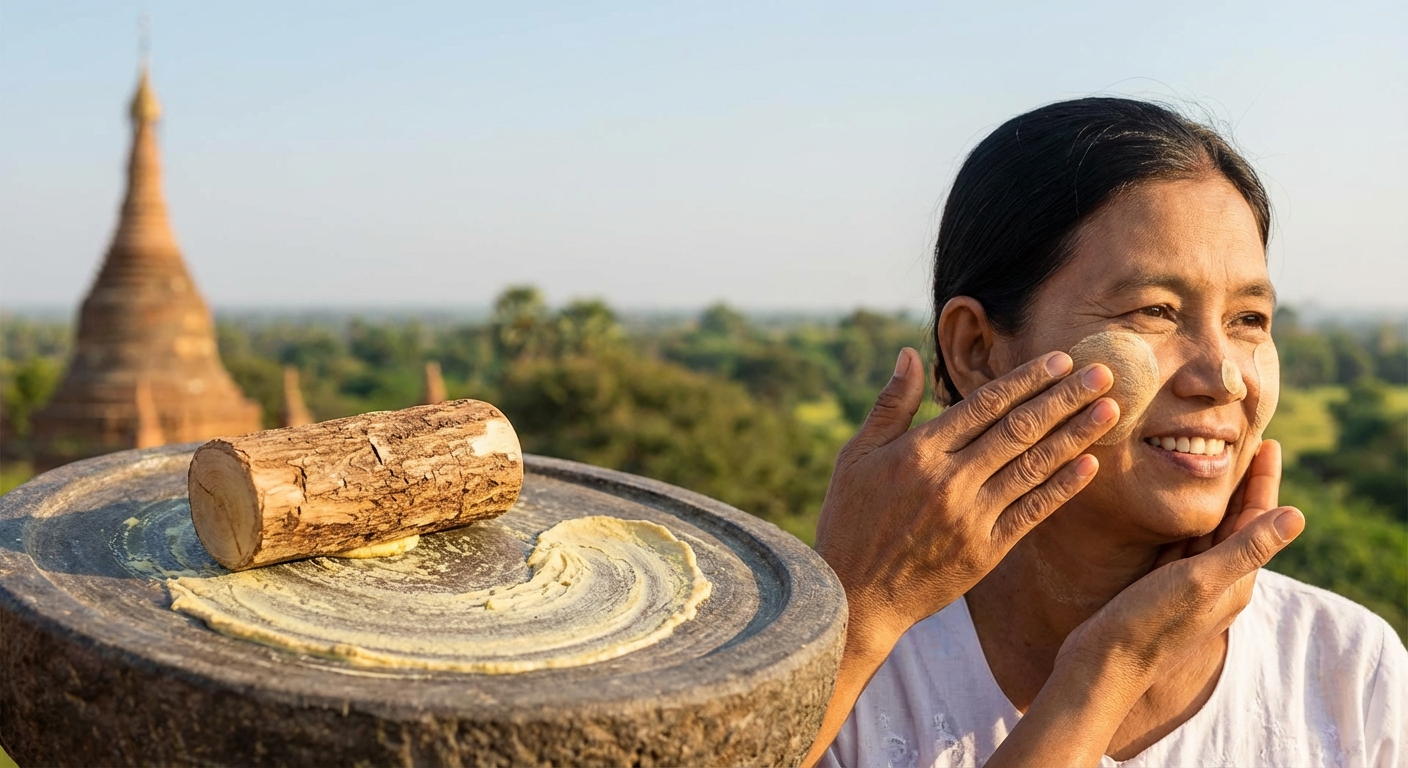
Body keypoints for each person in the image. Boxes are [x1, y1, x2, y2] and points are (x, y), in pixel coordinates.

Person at [803, 98, 1406, 768]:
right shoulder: (853, 672)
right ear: (976, 349)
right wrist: (1107, 671)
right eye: (1154, 310)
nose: (1224, 378)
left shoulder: (1348, 671)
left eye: (1250, 319)